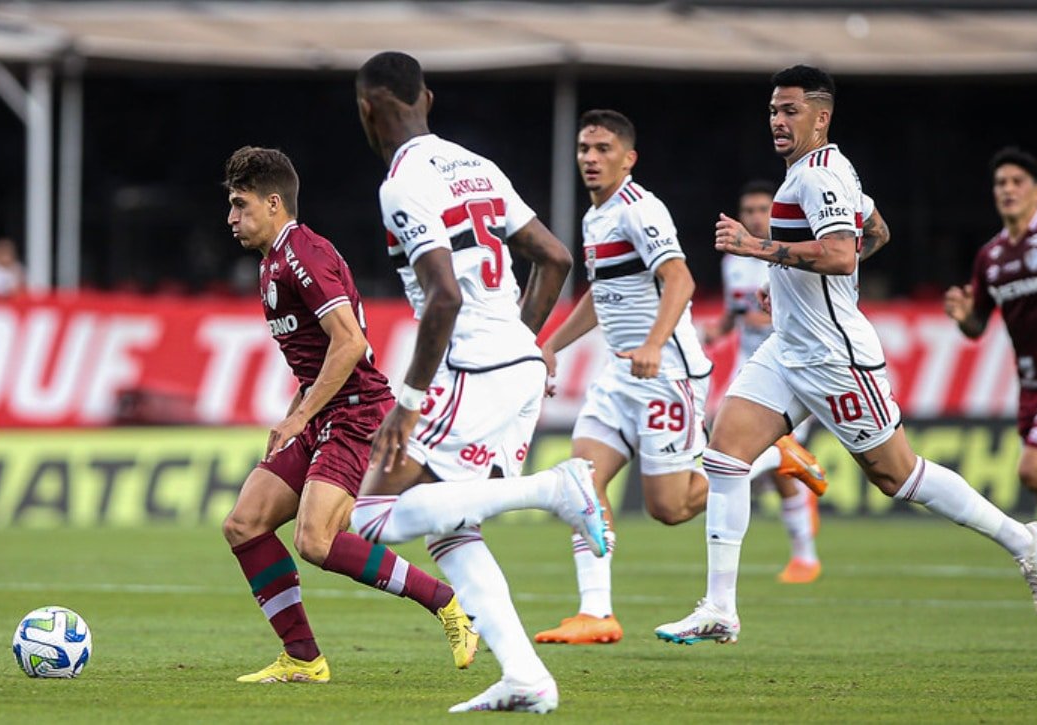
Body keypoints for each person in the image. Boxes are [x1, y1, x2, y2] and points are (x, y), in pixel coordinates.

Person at [654, 65, 1037, 647]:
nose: (777, 120)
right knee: (725, 455)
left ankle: (1023, 541)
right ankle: (720, 608)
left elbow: (844, 255)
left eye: (790, 110)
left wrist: (758, 248)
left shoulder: (820, 177)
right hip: (788, 347)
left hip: (833, 356)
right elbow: (877, 231)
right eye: (773, 110)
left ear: (821, 117)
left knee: (898, 475)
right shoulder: (822, 171)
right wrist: (787, 276)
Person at [350, 51, 607, 714]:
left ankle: (556, 487)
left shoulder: (401, 184)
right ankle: (525, 675)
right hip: (512, 362)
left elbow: (443, 299)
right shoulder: (476, 165)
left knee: (369, 516)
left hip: (472, 368)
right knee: (453, 529)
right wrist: (523, 343)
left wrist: (406, 405)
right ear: (427, 99)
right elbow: (554, 257)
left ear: (367, 109)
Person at [531, 111, 830, 648]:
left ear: (628, 158)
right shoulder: (595, 217)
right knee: (582, 481)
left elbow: (681, 279)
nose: (590, 159)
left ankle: (772, 456)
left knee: (669, 509)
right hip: (618, 375)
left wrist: (652, 344)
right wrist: (549, 345)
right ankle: (596, 612)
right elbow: (603, 298)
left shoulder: (640, 210)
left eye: (602, 149)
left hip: (665, 373)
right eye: (583, 149)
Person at [219, 146, 478, 685]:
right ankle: (303, 659)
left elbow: (350, 343)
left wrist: (298, 417)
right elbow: (317, 362)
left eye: (240, 205)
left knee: (315, 540)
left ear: (273, 203)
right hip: (323, 414)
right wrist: (299, 413)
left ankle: (448, 603)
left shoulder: (302, 255)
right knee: (244, 525)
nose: (232, 219)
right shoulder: (272, 260)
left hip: (357, 414)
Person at [944, 147, 1037, 608]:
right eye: (1000, 183)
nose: (1007, 190)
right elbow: (978, 327)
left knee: (1035, 469)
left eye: (1017, 182)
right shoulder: (990, 257)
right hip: (1031, 386)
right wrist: (965, 317)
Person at [703, 179, 832, 585]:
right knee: (746, 456)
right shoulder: (735, 260)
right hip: (751, 370)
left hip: (794, 367)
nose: (757, 217)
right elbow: (733, 314)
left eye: (764, 209)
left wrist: (756, 317)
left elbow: (802, 314)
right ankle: (804, 551)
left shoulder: (790, 255)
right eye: (750, 210)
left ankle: (806, 555)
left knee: (762, 455)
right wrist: (714, 331)